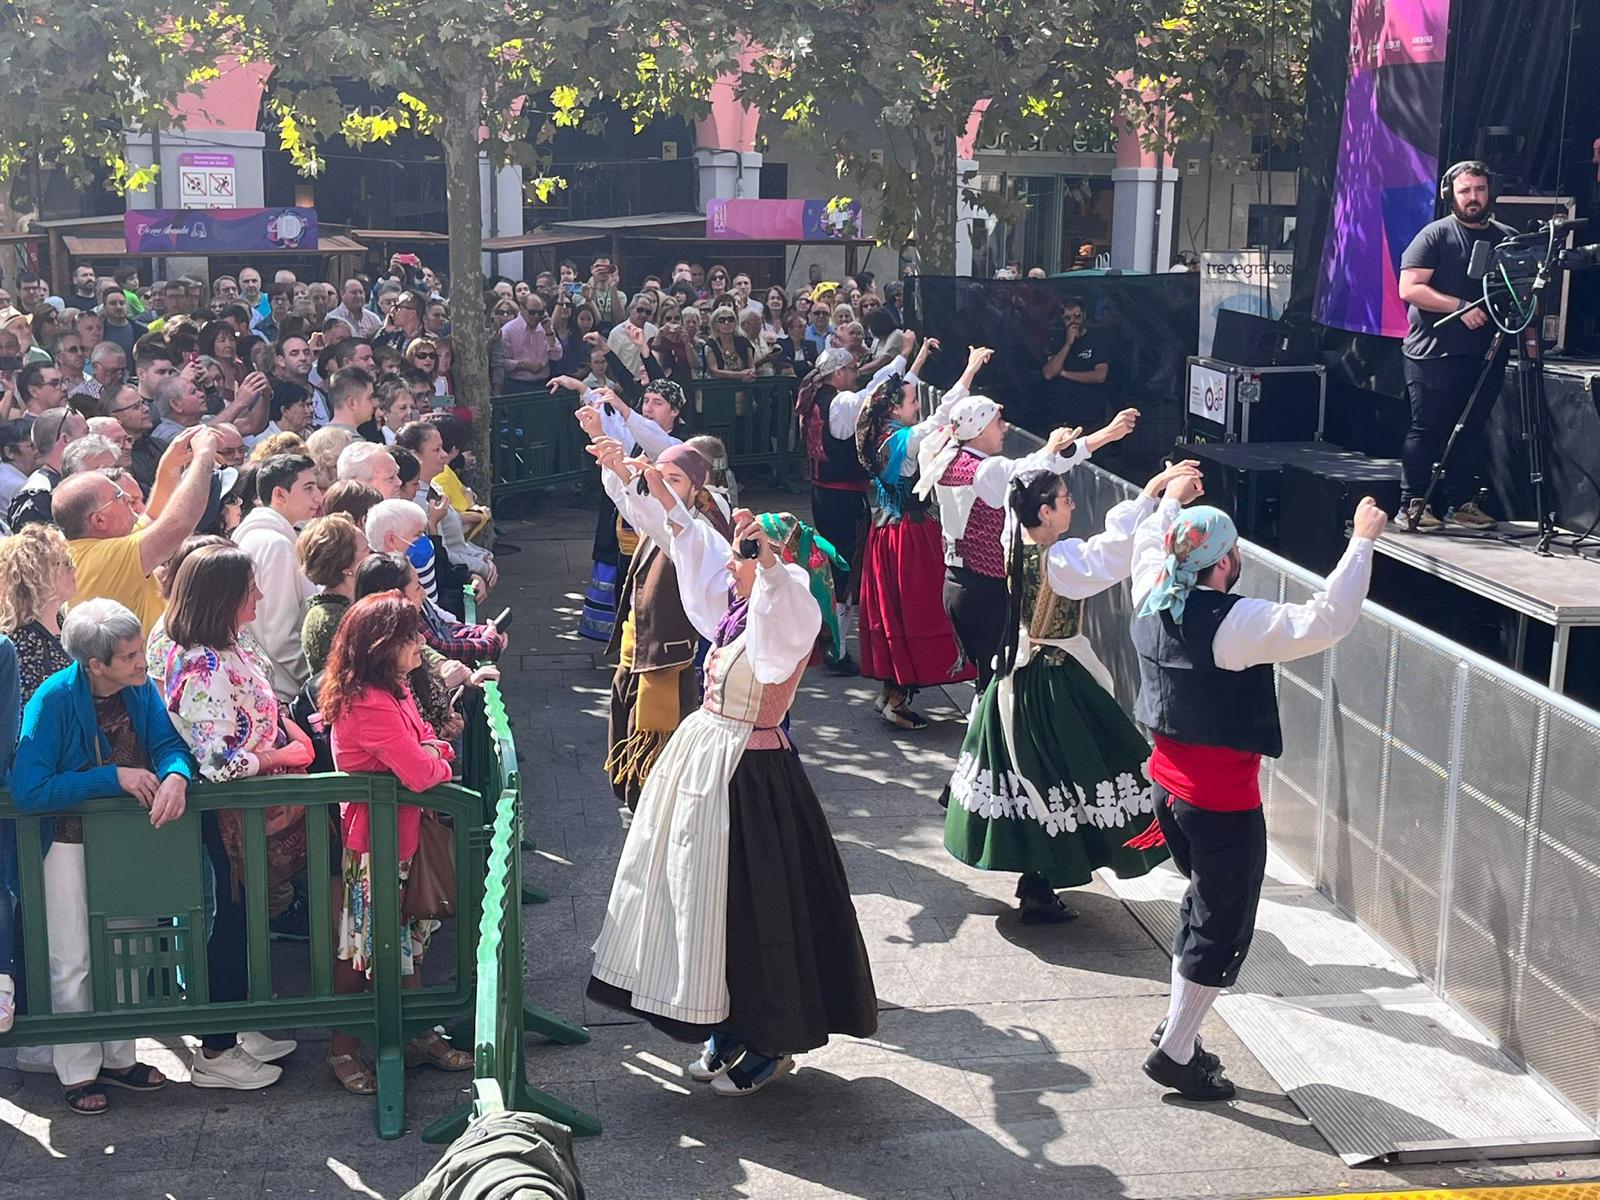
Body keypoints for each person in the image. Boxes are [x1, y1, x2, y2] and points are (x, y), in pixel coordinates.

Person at [589, 496, 877, 1095]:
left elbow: (787, 605)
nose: (734, 562)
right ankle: (725, 1022)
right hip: (706, 762)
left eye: (748, 552)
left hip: (754, 777)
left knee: (755, 905)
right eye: (742, 550)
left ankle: (769, 1037)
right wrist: (651, 493)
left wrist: (770, 564)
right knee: (700, 901)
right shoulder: (737, 611)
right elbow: (695, 548)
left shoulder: (786, 610)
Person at [1129, 494, 1386, 1098]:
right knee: (1218, 931)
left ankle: (1180, 1030)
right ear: (1224, 562)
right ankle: (1175, 1051)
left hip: (1169, 794)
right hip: (1221, 807)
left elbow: (1145, 543)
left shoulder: (1147, 593)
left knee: (1199, 914)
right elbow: (1326, 620)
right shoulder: (1234, 623)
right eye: (1234, 549)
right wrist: (1363, 540)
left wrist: (1168, 502)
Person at [943, 462, 1201, 923]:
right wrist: (1168, 502)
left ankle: (1037, 878)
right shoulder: (1059, 561)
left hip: (1018, 674)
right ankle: (1043, 881)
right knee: (1078, 770)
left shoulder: (1013, 540)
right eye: (1064, 499)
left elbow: (1111, 542)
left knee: (1036, 778)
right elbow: (1120, 553)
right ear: (1044, 511)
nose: (1073, 505)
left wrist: (1154, 488)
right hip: (1053, 678)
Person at [8, 599, 193, 1115]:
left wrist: (177, 775)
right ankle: (77, 1069)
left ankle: (120, 1056)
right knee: (74, 960)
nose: (143, 661)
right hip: (65, 844)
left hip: (123, 842)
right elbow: (28, 788)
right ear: (95, 665)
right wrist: (111, 777)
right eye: (131, 655)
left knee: (126, 951)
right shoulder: (52, 699)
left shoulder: (138, 690)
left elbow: (169, 745)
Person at [156, 545, 310, 1089]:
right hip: (218, 818)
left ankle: (236, 1025)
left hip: (244, 817)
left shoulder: (230, 643)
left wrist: (286, 734)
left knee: (242, 918)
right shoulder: (201, 664)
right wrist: (281, 757)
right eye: (251, 589)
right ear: (224, 597)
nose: (262, 596)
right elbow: (217, 761)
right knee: (224, 922)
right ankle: (216, 1052)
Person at [319, 593, 473, 1093]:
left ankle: (415, 1034)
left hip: (405, 836)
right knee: (361, 947)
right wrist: (436, 756)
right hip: (375, 846)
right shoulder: (366, 700)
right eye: (409, 637)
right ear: (382, 646)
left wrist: (433, 753)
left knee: (407, 942)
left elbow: (432, 741)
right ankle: (343, 1049)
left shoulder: (395, 687)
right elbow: (422, 767)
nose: (421, 642)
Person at [917, 398, 1139, 692]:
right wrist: (1058, 447)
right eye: (998, 422)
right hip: (984, 591)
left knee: (990, 682)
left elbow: (1037, 470)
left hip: (957, 583)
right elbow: (1033, 475)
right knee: (997, 687)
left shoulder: (949, 457)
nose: (1004, 428)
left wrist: (1105, 435)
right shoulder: (985, 470)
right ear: (979, 429)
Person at [583, 437, 730, 808]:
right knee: (624, 720)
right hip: (639, 646)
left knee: (658, 738)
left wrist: (628, 474)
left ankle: (656, 805)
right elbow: (639, 507)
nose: (664, 486)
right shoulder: (663, 520)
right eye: (661, 477)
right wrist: (614, 464)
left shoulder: (698, 531)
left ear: (699, 488)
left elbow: (664, 521)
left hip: (670, 656)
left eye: (675, 479)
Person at [853, 341, 988, 729]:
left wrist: (920, 359)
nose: (918, 406)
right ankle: (896, 698)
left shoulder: (883, 433)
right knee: (919, 612)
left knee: (894, 614)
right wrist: (970, 371)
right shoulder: (902, 440)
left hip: (887, 534)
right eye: (913, 401)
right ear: (895, 408)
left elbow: (914, 397)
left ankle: (892, 693)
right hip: (907, 538)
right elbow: (942, 417)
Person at [1395, 161, 1514, 530]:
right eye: (1465, 191)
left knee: (1469, 430)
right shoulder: (1434, 235)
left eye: (1479, 189)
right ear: (1451, 195)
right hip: (1433, 352)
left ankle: (1462, 502)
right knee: (1428, 429)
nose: (1474, 197)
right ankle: (1412, 503)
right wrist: (1459, 307)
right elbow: (1409, 288)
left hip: (1484, 354)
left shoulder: (1506, 236)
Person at [54, 426, 222, 633]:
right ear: (99, 520)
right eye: (119, 497)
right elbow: (178, 524)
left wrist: (170, 464)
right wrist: (204, 457)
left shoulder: (103, 540)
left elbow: (152, 517)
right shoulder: (99, 559)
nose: (127, 499)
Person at [565, 379, 686, 643]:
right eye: (646, 401)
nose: (649, 408)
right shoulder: (636, 439)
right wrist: (597, 435)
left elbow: (658, 443)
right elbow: (621, 482)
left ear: (675, 411)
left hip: (667, 544)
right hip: (631, 538)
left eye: (658, 403)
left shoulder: (679, 448)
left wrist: (623, 408)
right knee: (629, 595)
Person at [232, 452, 323, 702]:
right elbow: (280, 635)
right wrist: (320, 682)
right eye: (308, 488)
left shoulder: (268, 537)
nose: (318, 496)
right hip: (285, 691)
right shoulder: (275, 545)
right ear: (279, 494)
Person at [297, 514, 369, 676]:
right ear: (346, 566)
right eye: (366, 549)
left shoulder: (352, 602)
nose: (372, 554)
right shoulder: (328, 621)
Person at [1041, 296, 1111, 431]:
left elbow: (1100, 375)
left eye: (1077, 316)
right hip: (1061, 415)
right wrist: (1068, 344)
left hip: (1089, 415)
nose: (1073, 321)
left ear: (1084, 316)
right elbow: (1049, 373)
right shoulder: (1056, 341)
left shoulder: (1097, 340)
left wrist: (1064, 373)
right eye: (1068, 318)